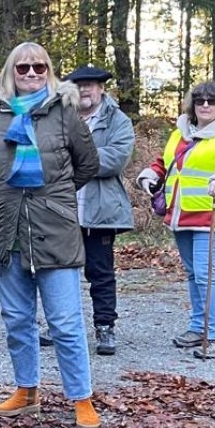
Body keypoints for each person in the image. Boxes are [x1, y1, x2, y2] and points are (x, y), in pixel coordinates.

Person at [0, 44, 102, 428]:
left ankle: (81, 397)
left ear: (49, 70)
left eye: (39, 66)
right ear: (10, 71)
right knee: (16, 318)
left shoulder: (64, 111)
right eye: (23, 67)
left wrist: (55, 199)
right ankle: (26, 391)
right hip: (6, 228)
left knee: (65, 322)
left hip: (55, 229)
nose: (31, 73)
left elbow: (88, 164)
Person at [136, 80, 215, 360]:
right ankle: (198, 327)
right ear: (193, 104)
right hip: (182, 214)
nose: (206, 105)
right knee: (193, 273)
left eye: (212, 100)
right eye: (200, 100)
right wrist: (150, 175)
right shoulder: (180, 133)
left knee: (204, 272)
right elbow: (163, 162)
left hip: (214, 214)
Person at [65, 65, 135, 356]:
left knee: (101, 272)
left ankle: (105, 326)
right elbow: (47, 153)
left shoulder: (117, 120)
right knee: (60, 272)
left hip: (101, 211)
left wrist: (74, 160)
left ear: (101, 88)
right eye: (79, 86)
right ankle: (62, 325)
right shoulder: (62, 117)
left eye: (90, 85)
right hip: (62, 209)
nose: (85, 90)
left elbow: (116, 159)